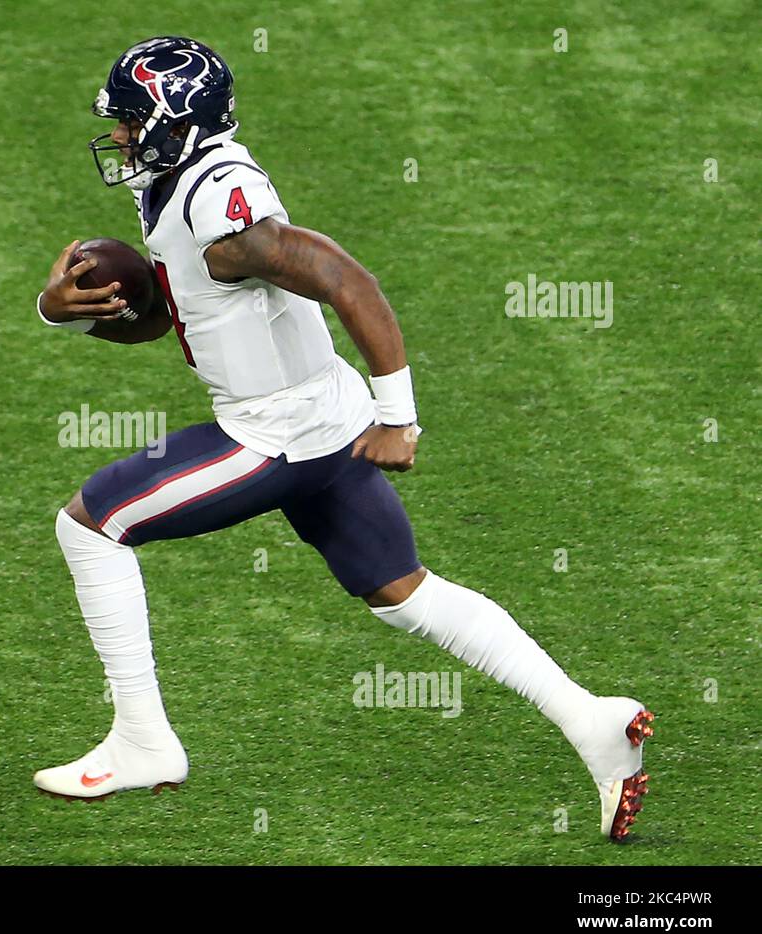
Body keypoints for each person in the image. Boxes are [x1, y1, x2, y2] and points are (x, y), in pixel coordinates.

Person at [33, 36, 652, 840]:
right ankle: (593, 719)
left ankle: (143, 741)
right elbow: (177, 318)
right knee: (403, 592)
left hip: (277, 434)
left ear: (170, 122)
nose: (118, 135)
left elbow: (347, 280)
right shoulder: (187, 185)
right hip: (324, 422)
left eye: (129, 120)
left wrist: (402, 417)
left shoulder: (221, 211)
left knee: (90, 525)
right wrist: (62, 310)